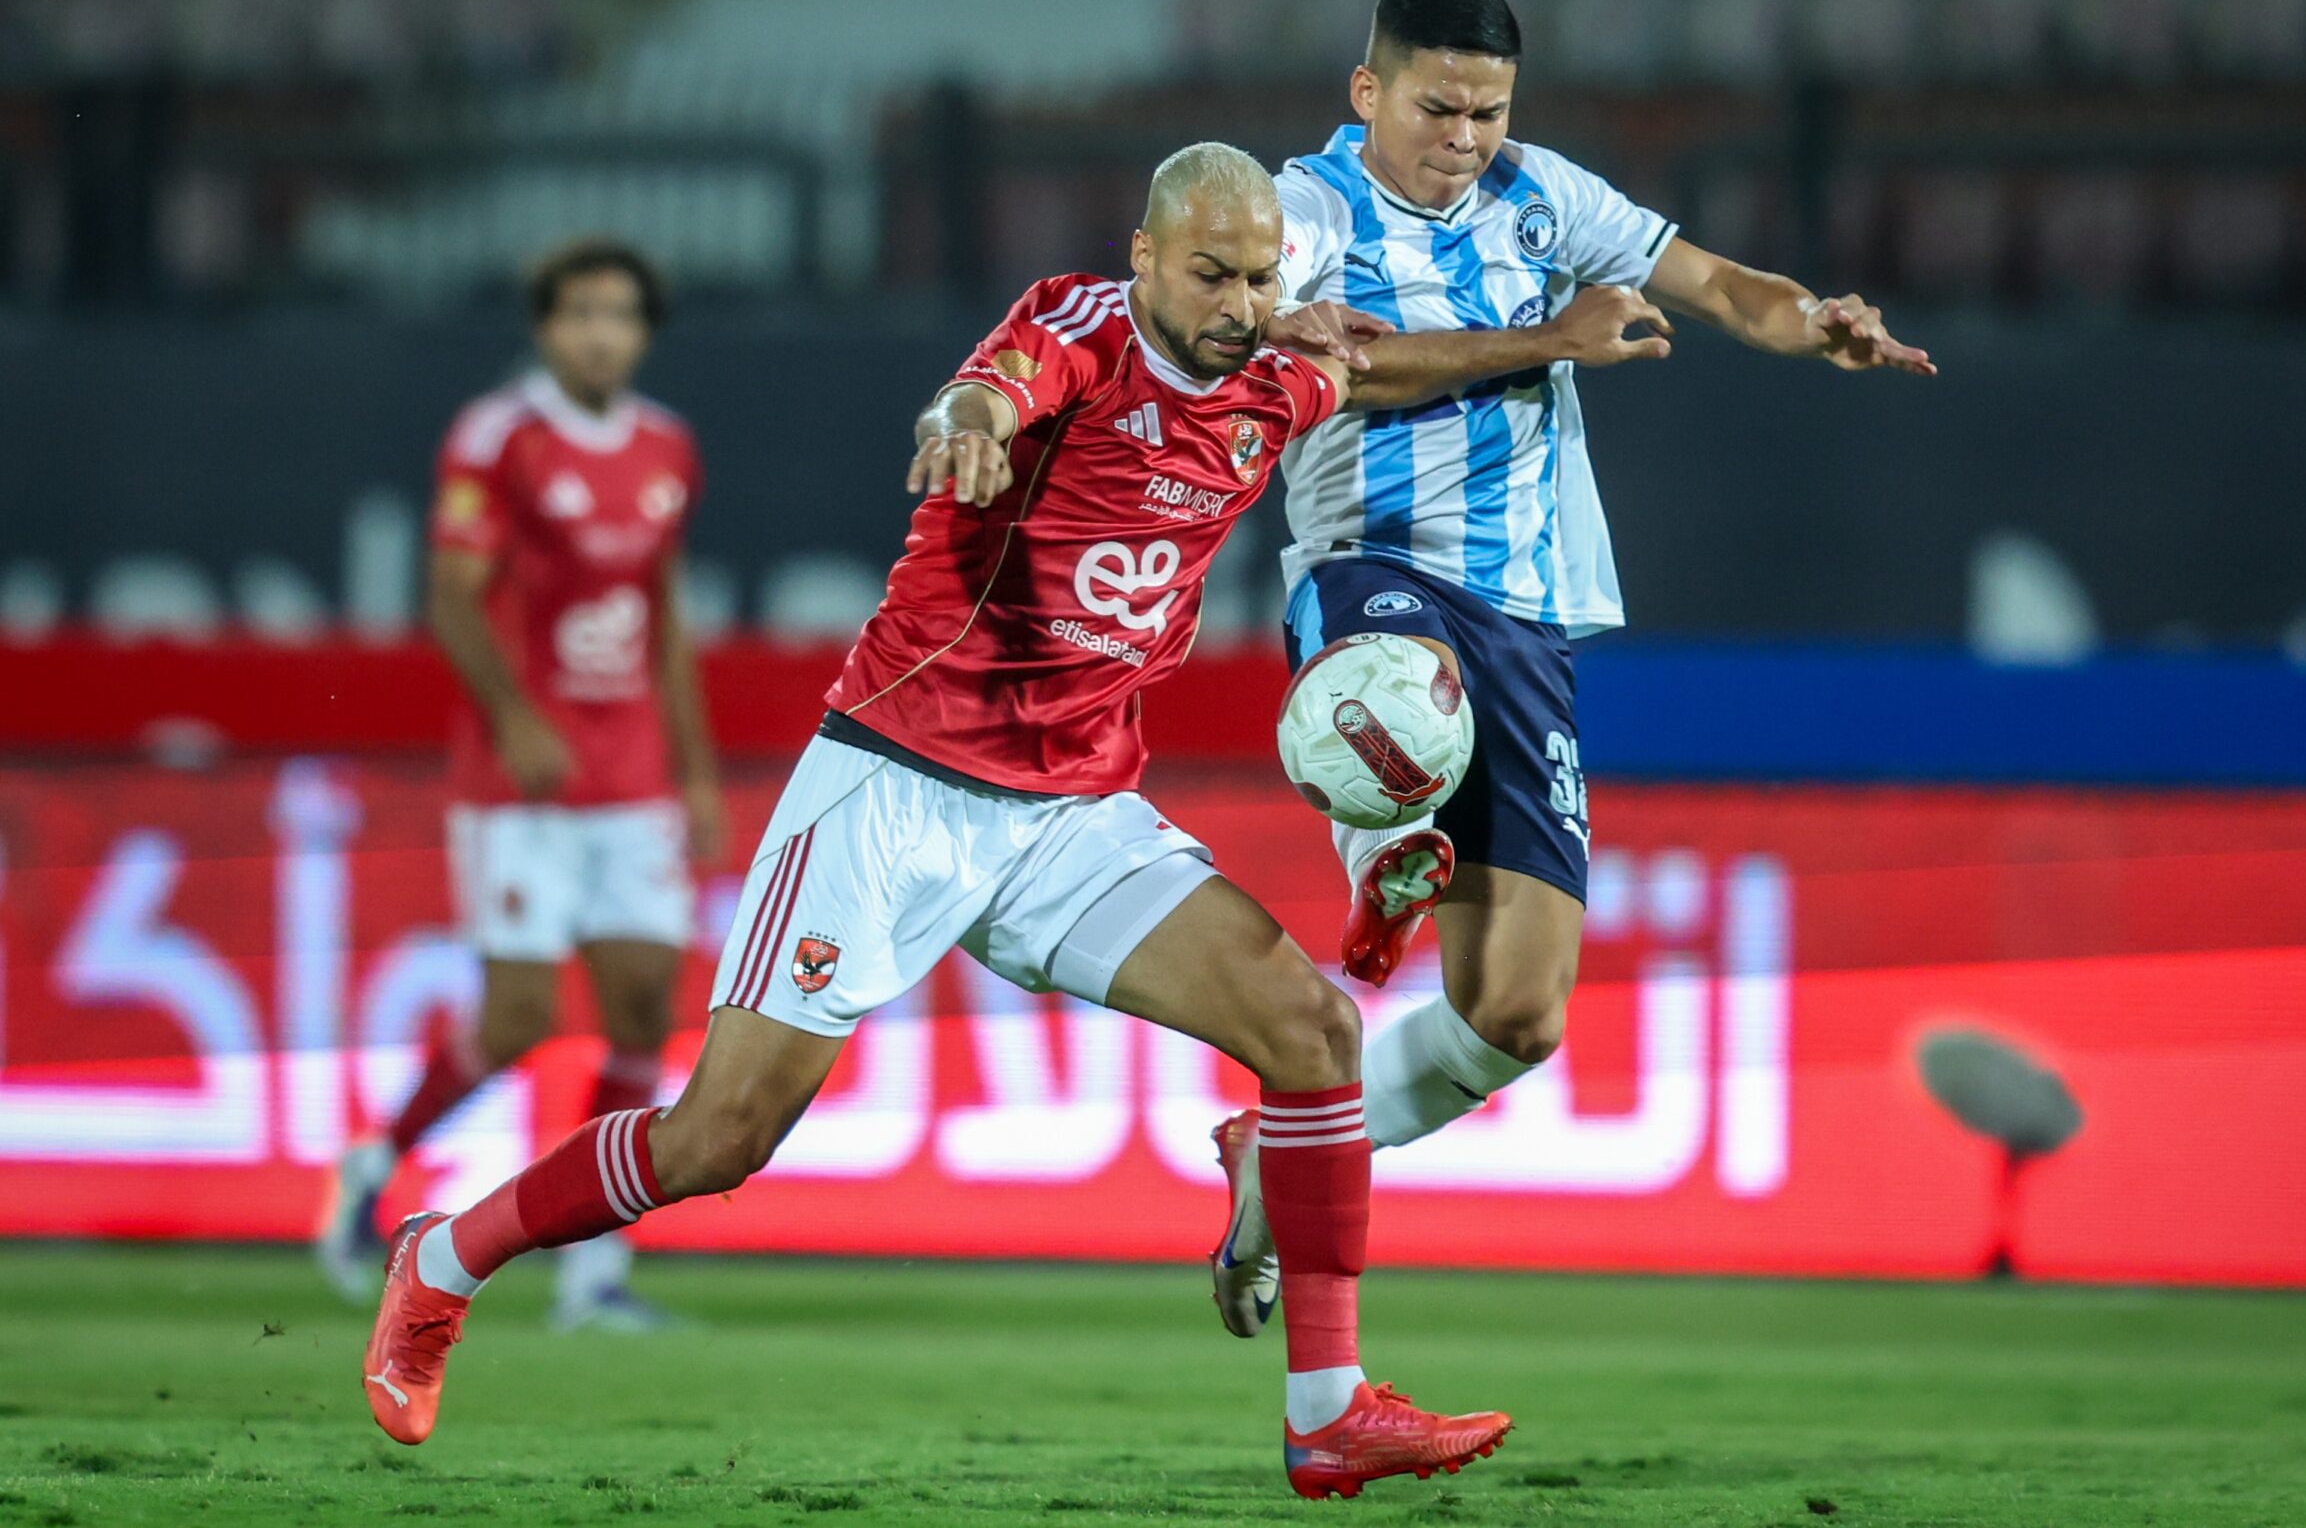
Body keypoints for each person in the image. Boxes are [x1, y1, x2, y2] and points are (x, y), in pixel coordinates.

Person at [358, 145, 1522, 1501]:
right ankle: (445, 1261)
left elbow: (1370, 371)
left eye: (1265, 276)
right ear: (1143, 257)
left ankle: (1326, 1413)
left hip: (1072, 812)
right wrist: (968, 419)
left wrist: (1564, 340)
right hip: (895, 786)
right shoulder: (1077, 327)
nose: (1242, 300)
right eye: (1211, 272)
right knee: (720, 1139)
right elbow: (1001, 382)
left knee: (1315, 1033)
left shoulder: (1274, 375)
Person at [1208, 0, 1937, 1336]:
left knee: (1517, 1019)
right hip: (1375, 564)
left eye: (1489, 111)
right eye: (1439, 107)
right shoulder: (1301, 214)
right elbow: (1333, 369)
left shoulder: (1543, 193)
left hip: (1529, 615)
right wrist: (1551, 337)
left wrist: (1811, 323)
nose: (1467, 137)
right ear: (1368, 93)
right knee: (1392, 704)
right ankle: (1386, 859)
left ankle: (1293, 1142)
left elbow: (1717, 281)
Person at [318, 238, 724, 1333]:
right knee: (519, 1018)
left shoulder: (666, 446)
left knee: (646, 1007)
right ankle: (371, 1165)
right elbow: (452, 596)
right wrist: (513, 717)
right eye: (581, 312)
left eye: (622, 314)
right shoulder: (497, 435)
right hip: (521, 782)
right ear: (546, 326)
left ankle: (591, 1273)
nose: (602, 332)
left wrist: (692, 769)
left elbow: (665, 617)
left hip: (630, 772)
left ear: (644, 331)